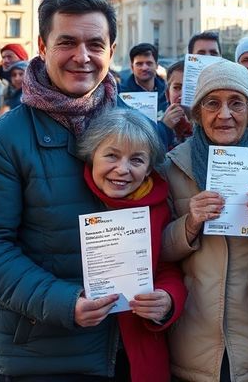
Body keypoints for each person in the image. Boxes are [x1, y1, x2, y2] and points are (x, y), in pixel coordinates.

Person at [0, 0, 126, 377]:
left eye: (95, 44)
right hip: (40, 352)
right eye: (67, 42)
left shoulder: (139, 130)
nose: (82, 56)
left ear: (111, 50)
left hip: (129, 346)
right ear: (42, 47)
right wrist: (65, 303)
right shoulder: (3, 138)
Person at [160, 59, 248, 382]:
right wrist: (189, 224)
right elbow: (157, 253)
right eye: (213, 103)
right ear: (197, 112)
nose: (224, 114)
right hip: (193, 345)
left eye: (236, 103)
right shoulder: (175, 166)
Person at [76, 108, 187, 382]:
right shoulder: (71, 198)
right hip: (76, 348)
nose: (122, 169)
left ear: (149, 168)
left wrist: (168, 299)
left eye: (136, 160)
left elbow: (166, 268)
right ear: (92, 155)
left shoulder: (158, 207)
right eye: (111, 155)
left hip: (136, 349)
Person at [119, 42, 168, 113]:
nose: (144, 68)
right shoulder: (120, 94)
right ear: (132, 67)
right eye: (139, 64)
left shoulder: (167, 92)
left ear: (156, 66)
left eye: (149, 63)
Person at [158, 61, 193, 150]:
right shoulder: (156, 124)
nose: (182, 95)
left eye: (189, 88)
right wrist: (164, 128)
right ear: (167, 94)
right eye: (177, 88)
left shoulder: (209, 125)